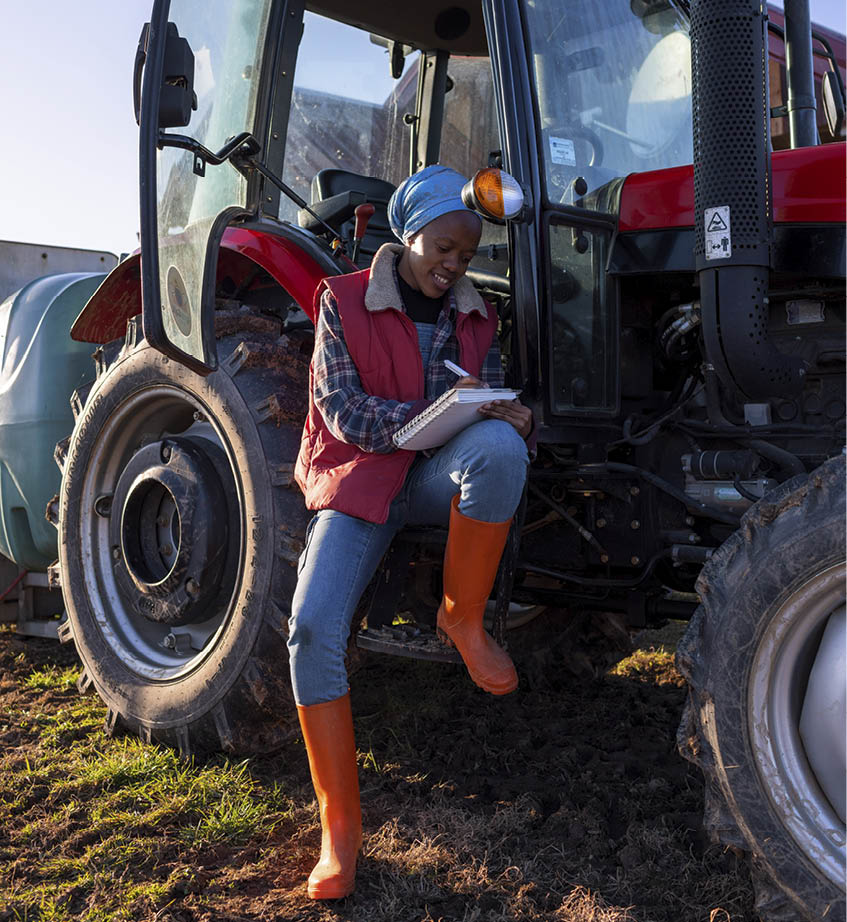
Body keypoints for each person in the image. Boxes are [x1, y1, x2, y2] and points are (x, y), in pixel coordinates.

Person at [288, 165, 535, 900]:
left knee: (500, 450)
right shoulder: (342, 299)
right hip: (359, 477)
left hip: (429, 481)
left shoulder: (478, 316)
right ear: (410, 233)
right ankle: (339, 832)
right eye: (444, 248)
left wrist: (503, 414)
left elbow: (483, 409)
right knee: (310, 630)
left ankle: (461, 619)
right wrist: (430, 415)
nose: (454, 265)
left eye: (466, 254)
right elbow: (343, 413)